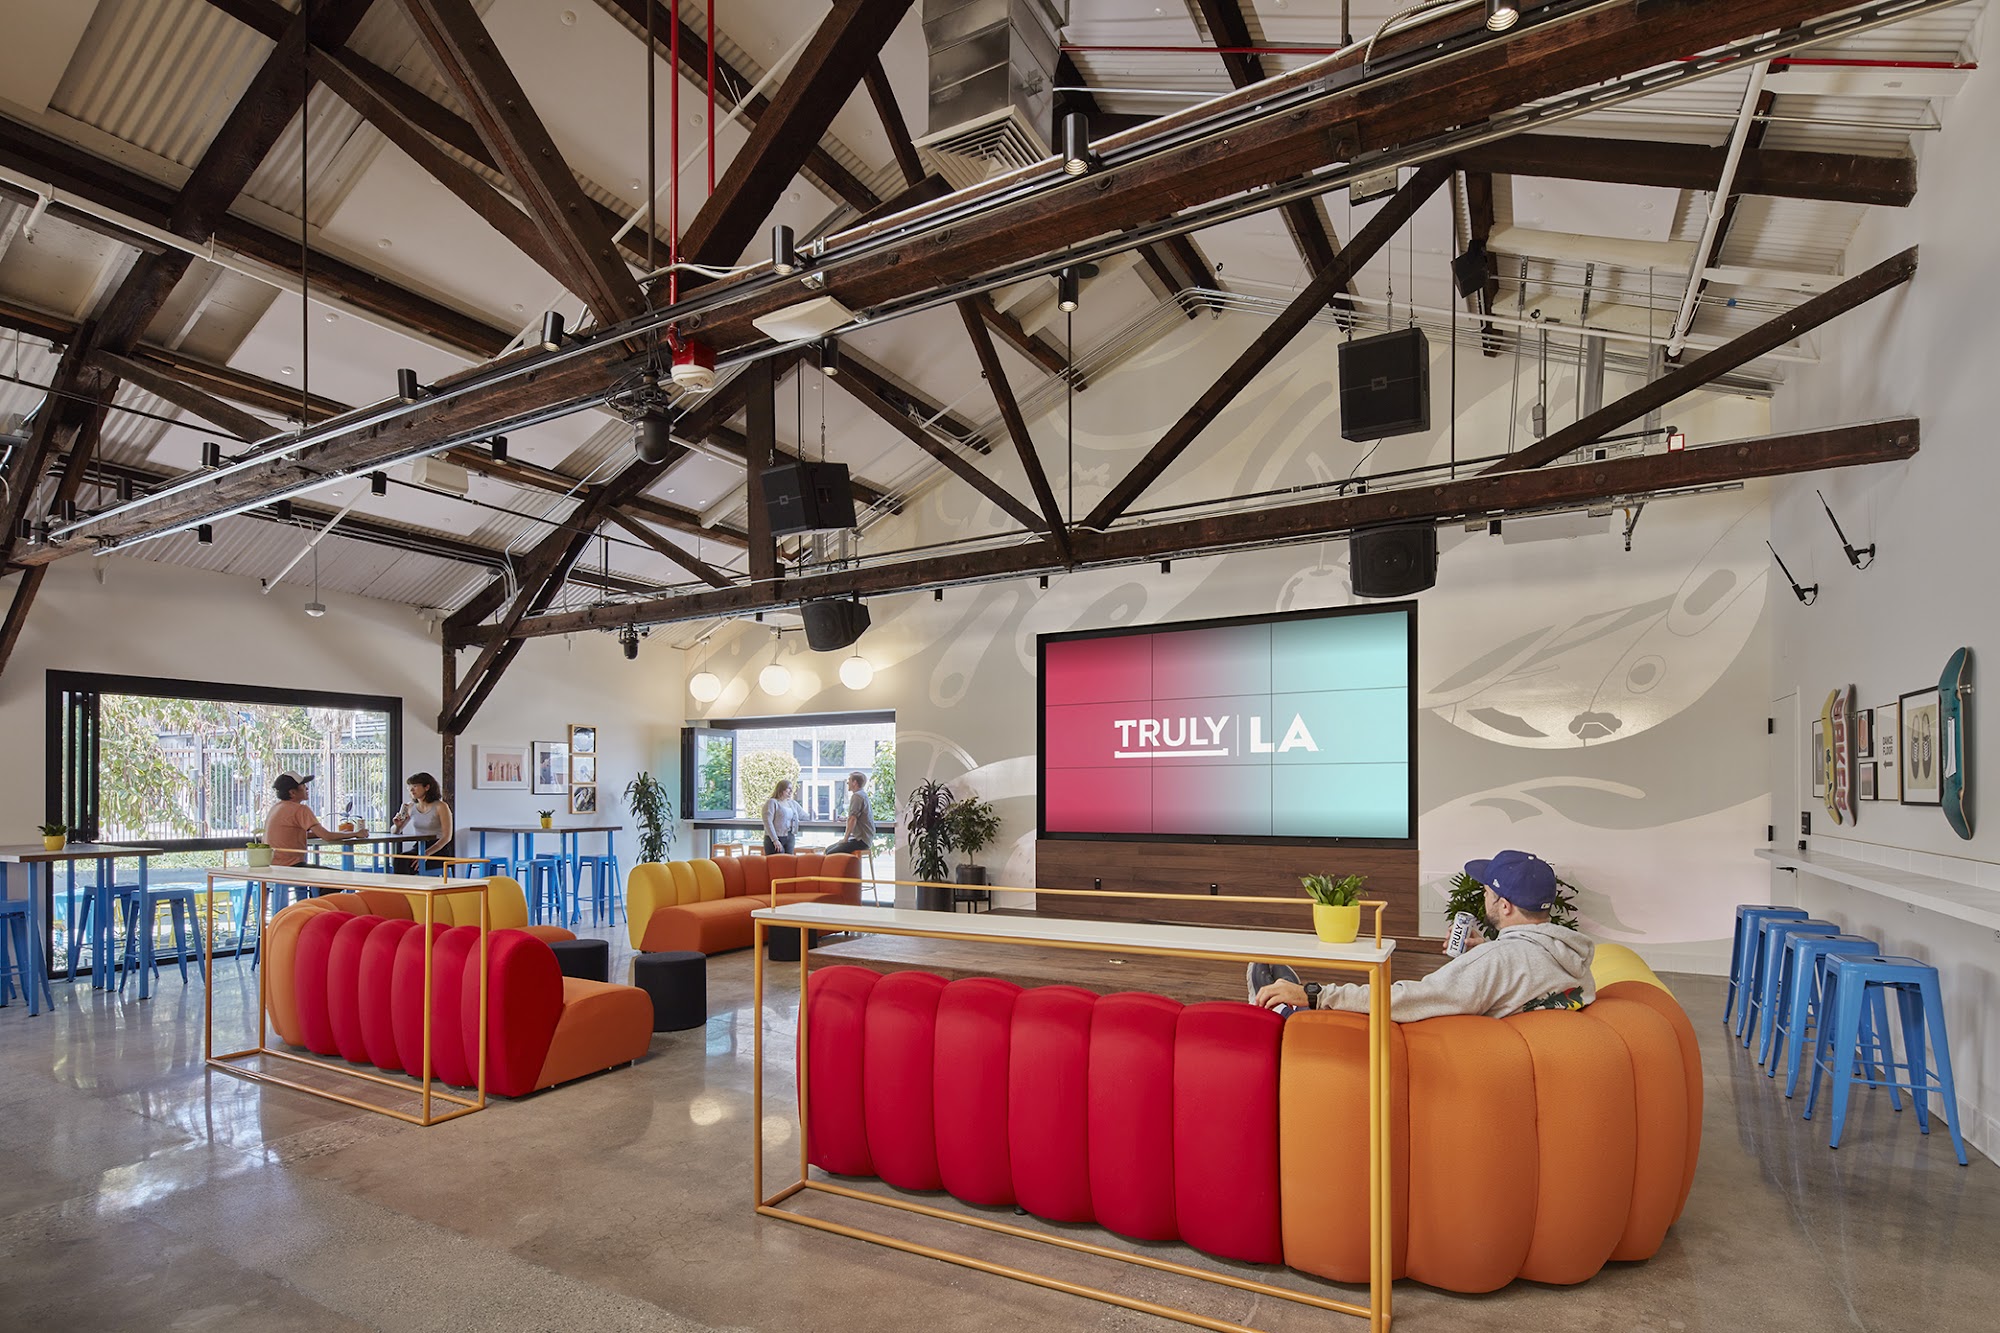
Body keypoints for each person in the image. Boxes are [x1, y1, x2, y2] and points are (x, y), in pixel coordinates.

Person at [1248, 850, 1595, 1021]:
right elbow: (1521, 974)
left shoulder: (1497, 962)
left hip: (1427, 1052)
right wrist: (1487, 949)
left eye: (1487, 892)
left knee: (1309, 1012)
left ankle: (1286, 1012)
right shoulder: (1569, 957)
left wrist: (1316, 993)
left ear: (1505, 906)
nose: (1483, 896)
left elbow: (1411, 998)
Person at [263, 773, 359, 871]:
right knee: (342, 876)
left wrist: (339, 834)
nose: (307, 788)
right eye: (303, 786)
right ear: (292, 792)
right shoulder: (300, 809)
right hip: (292, 867)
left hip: (273, 867)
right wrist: (355, 833)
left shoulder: (276, 808)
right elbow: (327, 836)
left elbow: (291, 836)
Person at [390, 772, 454, 874]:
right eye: (409, 787)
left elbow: (447, 837)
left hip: (438, 849)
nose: (411, 790)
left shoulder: (441, 806)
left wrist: (426, 854)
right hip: (419, 846)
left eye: (415, 786)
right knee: (399, 860)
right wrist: (398, 826)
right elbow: (395, 832)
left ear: (427, 787)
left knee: (407, 864)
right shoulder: (410, 806)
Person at [826, 771, 876, 857]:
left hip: (860, 840)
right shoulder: (863, 795)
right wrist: (846, 819)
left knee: (830, 854)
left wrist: (845, 839)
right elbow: (858, 817)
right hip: (866, 839)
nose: (847, 783)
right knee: (828, 849)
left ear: (854, 782)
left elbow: (853, 819)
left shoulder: (857, 796)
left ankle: (843, 866)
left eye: (849, 780)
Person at [762, 779, 802, 855]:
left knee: (790, 861)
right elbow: (768, 822)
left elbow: (803, 815)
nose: (791, 791)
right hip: (775, 838)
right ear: (781, 789)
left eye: (792, 789)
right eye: (788, 788)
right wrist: (775, 840)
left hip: (790, 837)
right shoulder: (772, 802)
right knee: (777, 861)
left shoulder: (792, 803)